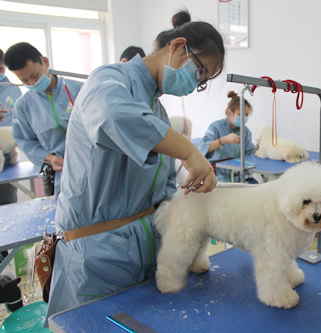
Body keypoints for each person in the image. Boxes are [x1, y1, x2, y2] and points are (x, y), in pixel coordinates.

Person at [44, 10, 225, 322]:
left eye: (203, 82)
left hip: (141, 251)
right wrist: (189, 151)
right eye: (200, 73)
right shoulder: (108, 80)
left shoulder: (157, 112)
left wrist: (189, 209)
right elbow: (114, 116)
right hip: (97, 257)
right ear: (178, 46)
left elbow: (164, 188)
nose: (195, 86)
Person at [4, 42, 84, 196]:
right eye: (25, 81)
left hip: (95, 166)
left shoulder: (79, 90)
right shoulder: (23, 106)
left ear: (45, 62)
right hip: (62, 175)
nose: (32, 83)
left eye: (34, 76)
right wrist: (49, 158)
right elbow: (24, 141)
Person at [197, 91, 255, 182]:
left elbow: (250, 153)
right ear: (230, 112)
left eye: (246, 114)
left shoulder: (245, 131)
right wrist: (223, 140)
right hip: (218, 174)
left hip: (238, 173)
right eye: (240, 114)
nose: (244, 117)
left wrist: (259, 149)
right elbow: (202, 148)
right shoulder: (216, 127)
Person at [0, 48, 23, 205]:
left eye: (0, 69)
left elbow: (20, 125)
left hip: (7, 160)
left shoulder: (13, 89)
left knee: (6, 204)